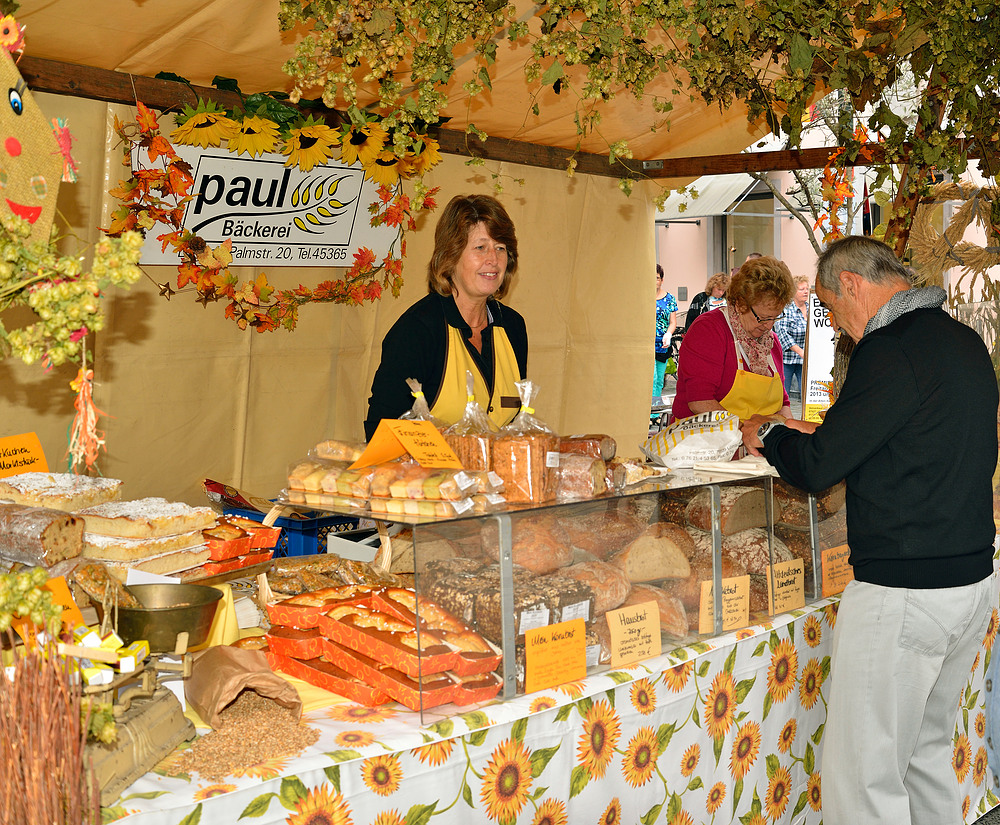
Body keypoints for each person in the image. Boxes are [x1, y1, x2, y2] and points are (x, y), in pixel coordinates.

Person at [741, 236, 998, 825]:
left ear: (851, 283)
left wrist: (771, 435)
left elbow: (818, 465)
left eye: (831, 309)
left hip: (904, 591)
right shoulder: (962, 341)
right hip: (969, 581)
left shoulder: (890, 349)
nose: (839, 326)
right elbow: (904, 440)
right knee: (924, 755)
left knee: (864, 778)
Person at [364, 194, 528, 440]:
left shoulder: (512, 327)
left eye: (500, 248)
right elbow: (381, 431)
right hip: (430, 477)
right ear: (451, 256)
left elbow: (515, 425)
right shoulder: (418, 330)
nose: (493, 260)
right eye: (480, 247)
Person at [671, 255, 794, 422]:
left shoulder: (771, 344)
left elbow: (783, 403)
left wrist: (788, 429)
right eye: (763, 318)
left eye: (775, 317)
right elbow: (700, 401)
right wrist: (747, 433)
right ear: (741, 303)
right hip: (707, 442)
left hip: (755, 443)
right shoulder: (709, 330)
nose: (769, 326)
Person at [773, 275, 809, 397]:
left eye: (807, 288)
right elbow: (782, 333)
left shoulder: (812, 309)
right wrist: (800, 351)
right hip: (787, 359)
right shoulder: (785, 309)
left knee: (806, 393)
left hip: (805, 359)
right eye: (802, 289)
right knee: (783, 395)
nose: (806, 292)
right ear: (793, 292)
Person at [653, 264, 678, 398]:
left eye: (657, 278)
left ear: (662, 280)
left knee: (659, 381)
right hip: (648, 344)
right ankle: (648, 409)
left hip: (662, 345)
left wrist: (668, 334)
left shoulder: (669, 299)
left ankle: (655, 412)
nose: (654, 281)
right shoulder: (643, 298)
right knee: (652, 378)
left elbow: (673, 322)